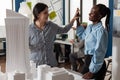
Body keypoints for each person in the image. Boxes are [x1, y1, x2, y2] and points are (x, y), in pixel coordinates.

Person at [29, 3, 79, 67]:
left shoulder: (51, 26)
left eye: (48, 12)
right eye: (45, 12)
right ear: (38, 15)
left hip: (51, 64)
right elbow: (24, 46)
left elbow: (65, 30)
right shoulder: (29, 30)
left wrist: (73, 19)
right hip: (36, 65)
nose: (48, 14)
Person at [76, 4, 110, 80]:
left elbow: (99, 52)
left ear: (99, 16)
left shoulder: (101, 31)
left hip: (96, 64)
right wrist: (77, 20)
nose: (89, 14)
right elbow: (81, 35)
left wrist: (92, 71)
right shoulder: (90, 27)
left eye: (92, 13)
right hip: (88, 61)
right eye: (90, 12)